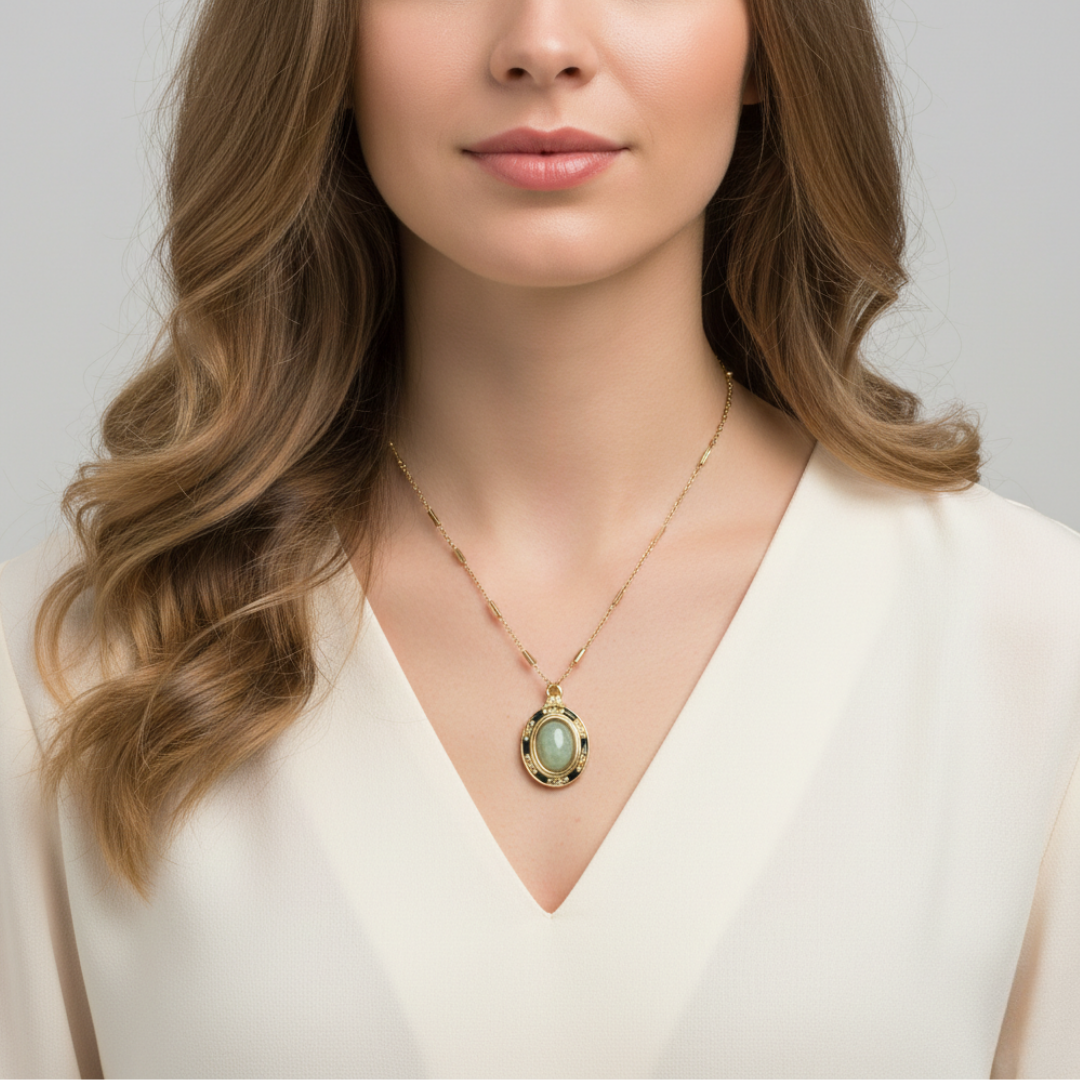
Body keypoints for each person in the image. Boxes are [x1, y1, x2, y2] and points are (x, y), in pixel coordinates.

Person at [1, 0, 1078, 1075]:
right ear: (322, 42)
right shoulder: (61, 666)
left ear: (768, 45)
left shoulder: (1030, 640)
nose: (542, 44)